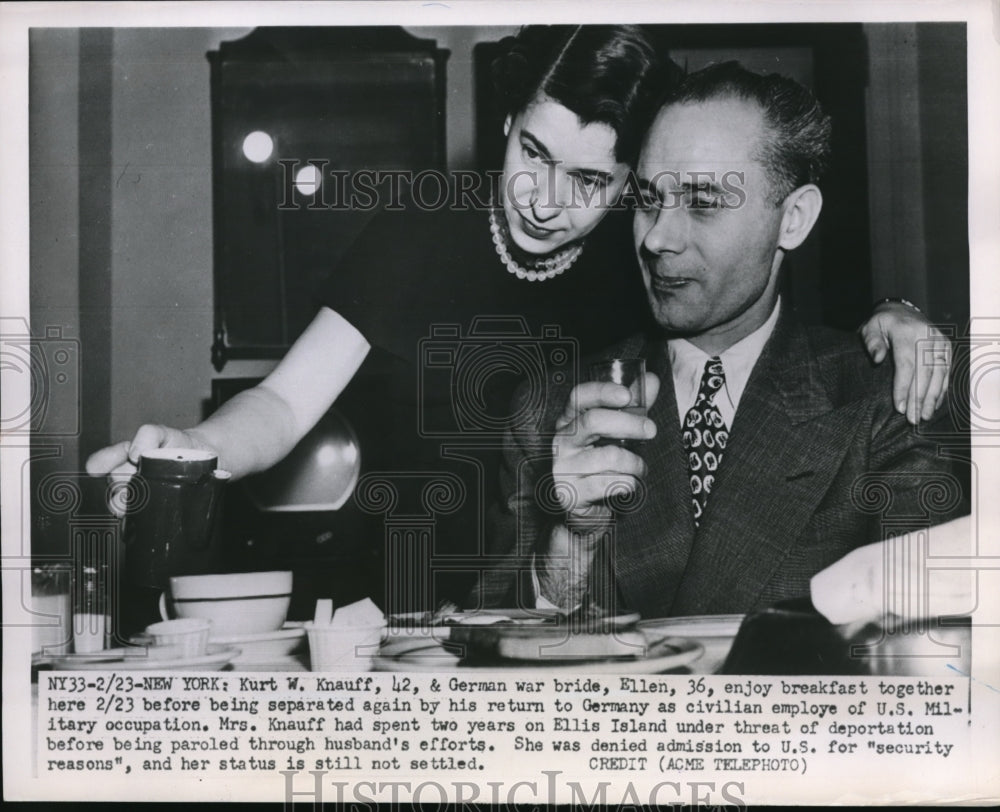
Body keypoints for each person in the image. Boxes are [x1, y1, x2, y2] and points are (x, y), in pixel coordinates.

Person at [86, 28, 947, 610]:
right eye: (532, 152)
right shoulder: (416, 230)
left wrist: (895, 316)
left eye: (591, 182)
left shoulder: (643, 255)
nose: (542, 200)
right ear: (506, 120)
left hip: (561, 584)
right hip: (403, 576)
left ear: (630, 186)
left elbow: (766, 316)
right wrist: (194, 452)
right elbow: (280, 405)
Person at [475, 61, 968, 618]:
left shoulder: (886, 401)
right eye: (647, 199)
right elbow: (487, 655)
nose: (657, 237)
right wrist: (571, 544)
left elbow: (930, 659)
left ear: (794, 219)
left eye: (704, 203)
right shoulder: (548, 409)